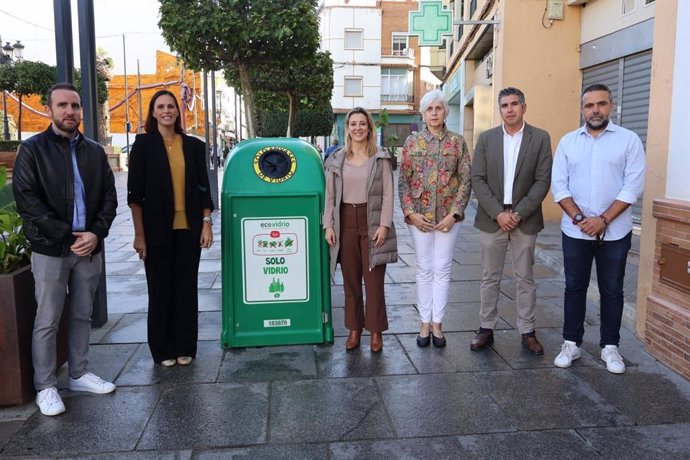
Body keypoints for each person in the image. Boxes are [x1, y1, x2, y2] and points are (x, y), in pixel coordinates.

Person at [13, 83, 118, 416]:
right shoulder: (32, 150)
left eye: (74, 105)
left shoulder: (94, 151)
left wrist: (97, 233)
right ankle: (45, 386)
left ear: (81, 110)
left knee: (82, 314)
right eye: (62, 105)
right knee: (48, 318)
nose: (69, 111)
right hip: (50, 249)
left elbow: (109, 199)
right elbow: (27, 201)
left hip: (89, 247)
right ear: (49, 110)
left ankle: (78, 373)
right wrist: (68, 235)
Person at [551, 83, 645, 374]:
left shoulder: (628, 141)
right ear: (582, 109)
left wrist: (602, 220)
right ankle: (571, 343)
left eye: (601, 104)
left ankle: (610, 347)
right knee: (574, 287)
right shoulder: (568, 142)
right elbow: (559, 186)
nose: (595, 110)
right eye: (589, 105)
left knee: (612, 290)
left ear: (611, 106)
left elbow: (633, 187)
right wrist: (581, 220)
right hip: (575, 231)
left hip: (615, 233)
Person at [127, 89, 214, 368]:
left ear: (178, 112)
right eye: (161, 106)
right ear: (153, 113)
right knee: (160, 290)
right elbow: (134, 196)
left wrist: (207, 223)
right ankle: (162, 349)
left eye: (171, 106)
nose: (166, 111)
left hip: (188, 229)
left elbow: (204, 188)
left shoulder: (193, 146)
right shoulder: (142, 146)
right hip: (155, 231)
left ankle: (185, 345)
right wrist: (139, 235)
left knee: (186, 289)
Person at [470, 87, 553, 355]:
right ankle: (486, 327)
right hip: (492, 217)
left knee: (525, 278)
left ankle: (527, 330)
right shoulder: (486, 139)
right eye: (504, 105)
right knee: (489, 277)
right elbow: (478, 180)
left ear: (523, 107)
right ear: (500, 109)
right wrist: (499, 213)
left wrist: (517, 214)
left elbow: (543, 180)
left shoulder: (540, 138)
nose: (509, 109)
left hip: (524, 220)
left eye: (514, 104)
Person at [399, 89, 471, 348]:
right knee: (423, 268)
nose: (434, 113)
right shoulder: (412, 143)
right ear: (423, 113)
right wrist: (411, 213)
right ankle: (424, 323)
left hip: (448, 219)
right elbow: (404, 181)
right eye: (429, 109)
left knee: (442, 268)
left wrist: (454, 214)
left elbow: (465, 180)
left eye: (438, 108)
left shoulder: (457, 142)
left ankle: (438, 323)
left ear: (445, 112)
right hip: (420, 217)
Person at [323, 107, 397, 352]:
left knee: (374, 281)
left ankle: (376, 331)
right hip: (345, 221)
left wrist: (384, 225)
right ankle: (354, 329)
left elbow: (388, 193)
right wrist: (328, 225)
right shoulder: (336, 159)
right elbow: (330, 196)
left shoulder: (381, 157)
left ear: (369, 128)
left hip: (372, 220)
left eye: (362, 124)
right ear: (347, 128)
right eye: (353, 124)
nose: (358, 128)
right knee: (350, 281)